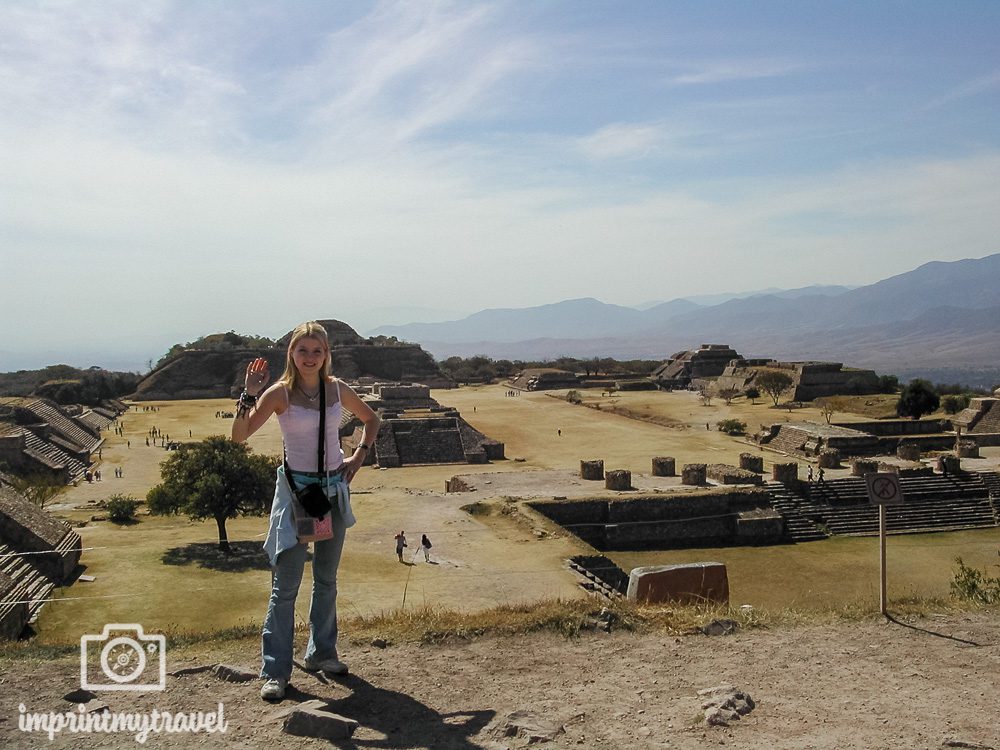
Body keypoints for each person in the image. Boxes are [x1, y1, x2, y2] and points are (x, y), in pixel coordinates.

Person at [232, 321, 381, 702]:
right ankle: (275, 671)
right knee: (285, 588)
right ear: (291, 355)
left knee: (327, 580)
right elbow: (239, 435)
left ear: (326, 354)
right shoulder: (279, 394)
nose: (310, 357)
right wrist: (248, 396)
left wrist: (359, 457)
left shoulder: (337, 389)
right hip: (298, 492)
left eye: (317, 350)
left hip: (332, 489)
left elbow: (371, 419)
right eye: (303, 350)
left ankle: (321, 653)